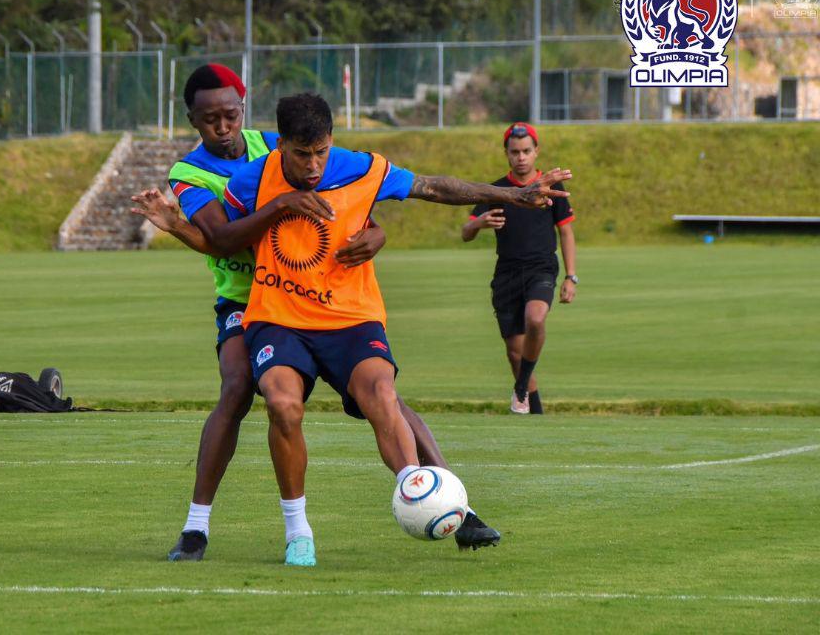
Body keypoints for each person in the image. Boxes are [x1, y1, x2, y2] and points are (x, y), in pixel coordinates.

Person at [145, 93, 567, 566]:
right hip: (278, 316)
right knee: (282, 405)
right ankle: (297, 532)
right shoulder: (249, 181)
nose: (313, 165)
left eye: (321, 151)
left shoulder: (361, 168)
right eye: (302, 154)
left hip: (350, 317)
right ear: (279, 144)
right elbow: (223, 239)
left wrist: (514, 194)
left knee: (383, 394)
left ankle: (427, 493)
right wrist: (178, 226)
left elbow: (432, 187)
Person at [461, 123, 576, 415]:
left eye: (526, 151)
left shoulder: (551, 188)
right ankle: (535, 413)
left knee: (535, 319)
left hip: (541, 268)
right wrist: (480, 222)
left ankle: (521, 387)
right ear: (507, 154)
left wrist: (570, 277)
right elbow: (465, 232)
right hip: (507, 274)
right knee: (514, 352)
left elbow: (566, 232)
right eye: (515, 152)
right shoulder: (496, 190)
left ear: (536, 151)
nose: (521, 157)